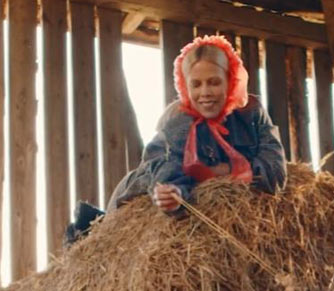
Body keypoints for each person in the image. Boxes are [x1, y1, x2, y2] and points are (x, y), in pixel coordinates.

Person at [66, 35, 287, 245]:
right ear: (185, 86)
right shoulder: (178, 121)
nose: (205, 92)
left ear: (230, 82)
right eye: (196, 84)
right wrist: (173, 194)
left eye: (214, 82)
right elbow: (166, 168)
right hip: (140, 187)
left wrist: (223, 171)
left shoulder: (251, 113)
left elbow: (275, 169)